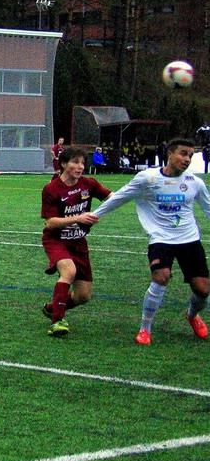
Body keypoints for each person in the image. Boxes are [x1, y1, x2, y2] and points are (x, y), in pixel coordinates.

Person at [91, 138, 210, 345]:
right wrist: (93, 216)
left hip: (189, 239)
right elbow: (121, 196)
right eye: (183, 153)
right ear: (170, 154)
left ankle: (191, 315)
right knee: (161, 277)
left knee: (203, 290)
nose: (187, 159)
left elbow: (208, 209)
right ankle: (145, 328)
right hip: (160, 239)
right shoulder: (147, 178)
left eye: (190, 155)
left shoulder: (195, 183)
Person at [39, 147, 111, 337]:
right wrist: (78, 218)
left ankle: (53, 307)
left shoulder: (89, 184)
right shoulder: (51, 189)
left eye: (82, 163)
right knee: (68, 271)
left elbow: (112, 198)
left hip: (78, 242)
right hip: (56, 240)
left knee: (83, 296)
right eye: (75, 162)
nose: (80, 167)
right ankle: (57, 322)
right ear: (63, 164)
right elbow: (50, 222)